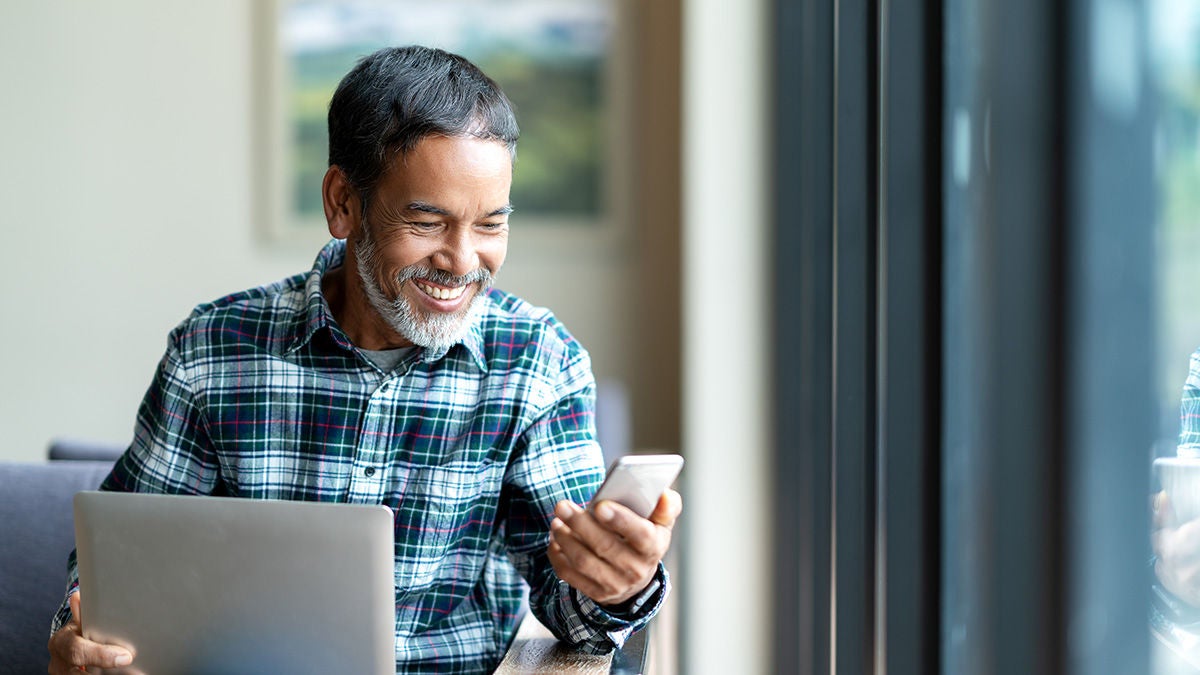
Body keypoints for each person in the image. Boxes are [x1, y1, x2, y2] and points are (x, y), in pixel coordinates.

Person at [46, 45, 681, 674]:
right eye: (428, 222)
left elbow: (571, 611)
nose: (462, 262)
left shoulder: (538, 362)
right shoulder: (213, 351)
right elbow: (124, 567)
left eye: (491, 224)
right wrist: (82, 631)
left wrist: (615, 583)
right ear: (343, 203)